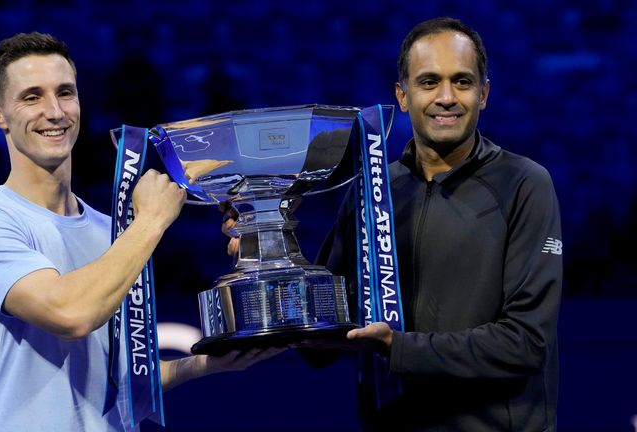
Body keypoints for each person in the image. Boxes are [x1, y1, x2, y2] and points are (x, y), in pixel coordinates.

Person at [223, 16, 563, 431]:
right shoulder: (371, 191)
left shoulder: (524, 183)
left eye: (462, 81)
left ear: (484, 93)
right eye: (428, 82)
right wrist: (267, 253)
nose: (446, 97)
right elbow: (323, 341)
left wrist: (396, 347)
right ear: (402, 96)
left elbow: (525, 344)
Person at [0, 32, 280, 432]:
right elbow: (70, 313)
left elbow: (112, 379)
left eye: (65, 93)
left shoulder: (110, 232)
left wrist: (200, 364)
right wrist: (151, 221)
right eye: (32, 97)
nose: (54, 111)